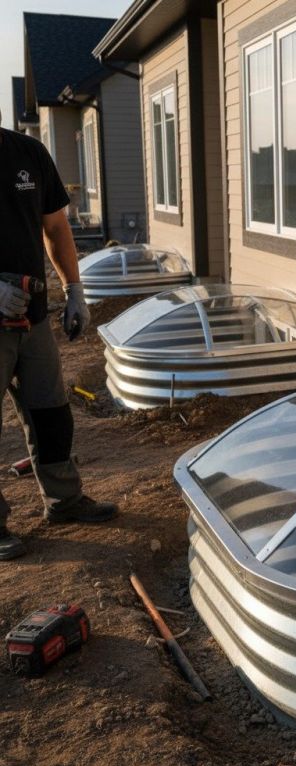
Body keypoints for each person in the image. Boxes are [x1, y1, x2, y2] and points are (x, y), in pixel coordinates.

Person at [0, 121, 118, 561]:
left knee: (51, 413)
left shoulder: (28, 154)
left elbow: (55, 228)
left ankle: (63, 501)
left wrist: (75, 291)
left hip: (32, 318)